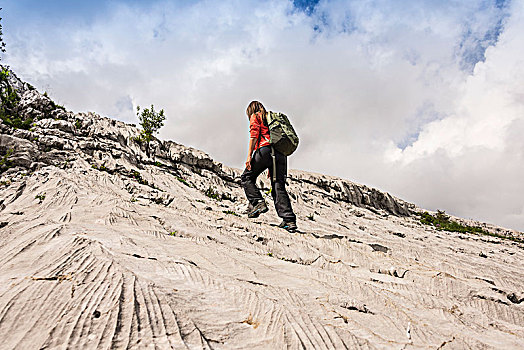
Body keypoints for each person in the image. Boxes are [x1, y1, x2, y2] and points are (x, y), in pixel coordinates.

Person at [241, 101, 297, 232]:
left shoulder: (257, 116)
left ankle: (257, 202)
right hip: (281, 154)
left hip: (265, 150)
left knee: (246, 177)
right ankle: (289, 220)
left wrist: (249, 156)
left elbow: (254, 135)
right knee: (278, 185)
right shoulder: (271, 118)